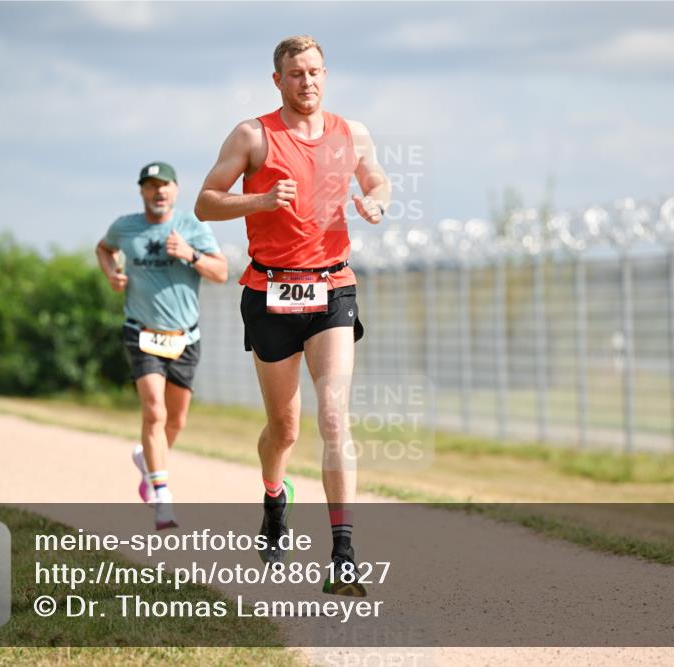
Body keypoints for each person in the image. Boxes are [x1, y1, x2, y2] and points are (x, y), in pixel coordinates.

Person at [195, 35, 390, 596]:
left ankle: (344, 554)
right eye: (296, 74)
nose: (308, 82)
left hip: (332, 286)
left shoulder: (353, 133)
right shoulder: (252, 135)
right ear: (277, 80)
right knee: (285, 427)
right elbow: (207, 200)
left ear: (326, 76)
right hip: (270, 291)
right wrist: (257, 201)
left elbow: (376, 178)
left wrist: (376, 201)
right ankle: (274, 498)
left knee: (333, 416)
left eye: (316, 72)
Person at [97, 161, 228, 530]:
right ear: (141, 191)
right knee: (154, 413)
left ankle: (147, 460)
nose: (158, 192)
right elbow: (103, 249)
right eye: (151, 186)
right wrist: (112, 274)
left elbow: (220, 273)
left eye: (164, 186)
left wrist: (191, 255)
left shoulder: (192, 226)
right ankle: (163, 499)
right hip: (141, 332)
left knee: (176, 420)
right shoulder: (125, 227)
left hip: (185, 336)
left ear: (175, 189)